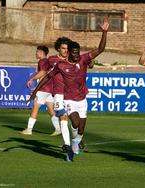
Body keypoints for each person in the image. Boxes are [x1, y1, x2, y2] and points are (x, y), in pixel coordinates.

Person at [28, 18, 109, 157]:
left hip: (81, 97)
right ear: (61, 49)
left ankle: (76, 141)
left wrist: (105, 32)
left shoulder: (81, 59)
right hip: (63, 95)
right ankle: (67, 144)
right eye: (65, 49)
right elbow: (47, 75)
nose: (69, 52)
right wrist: (35, 90)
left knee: (79, 127)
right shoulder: (56, 62)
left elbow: (99, 50)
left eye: (69, 49)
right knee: (65, 118)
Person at [21, 45, 61, 136]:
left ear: (41, 53)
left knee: (35, 108)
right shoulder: (49, 62)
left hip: (43, 89)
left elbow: (42, 73)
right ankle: (58, 129)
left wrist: (32, 80)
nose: (36, 53)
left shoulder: (42, 61)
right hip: (50, 89)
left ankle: (29, 129)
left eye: (37, 52)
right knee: (51, 109)